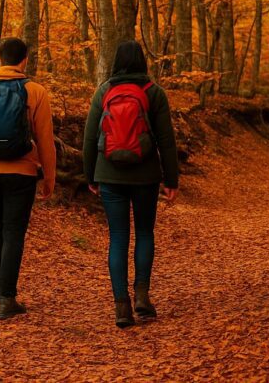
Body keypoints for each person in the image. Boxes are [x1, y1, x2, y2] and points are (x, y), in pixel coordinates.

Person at [83, 40, 179, 328]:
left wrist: (90, 176)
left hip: (109, 173)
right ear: (142, 62)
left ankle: (121, 307)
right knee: (145, 233)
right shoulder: (154, 93)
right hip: (145, 174)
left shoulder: (104, 91)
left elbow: (89, 138)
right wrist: (170, 179)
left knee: (118, 236)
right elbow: (166, 140)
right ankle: (142, 296)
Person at [0, 37, 56, 320]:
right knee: (14, 231)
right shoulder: (35, 91)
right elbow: (44, 139)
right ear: (24, 59)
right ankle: (7, 299)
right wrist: (49, 176)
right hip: (22, 170)